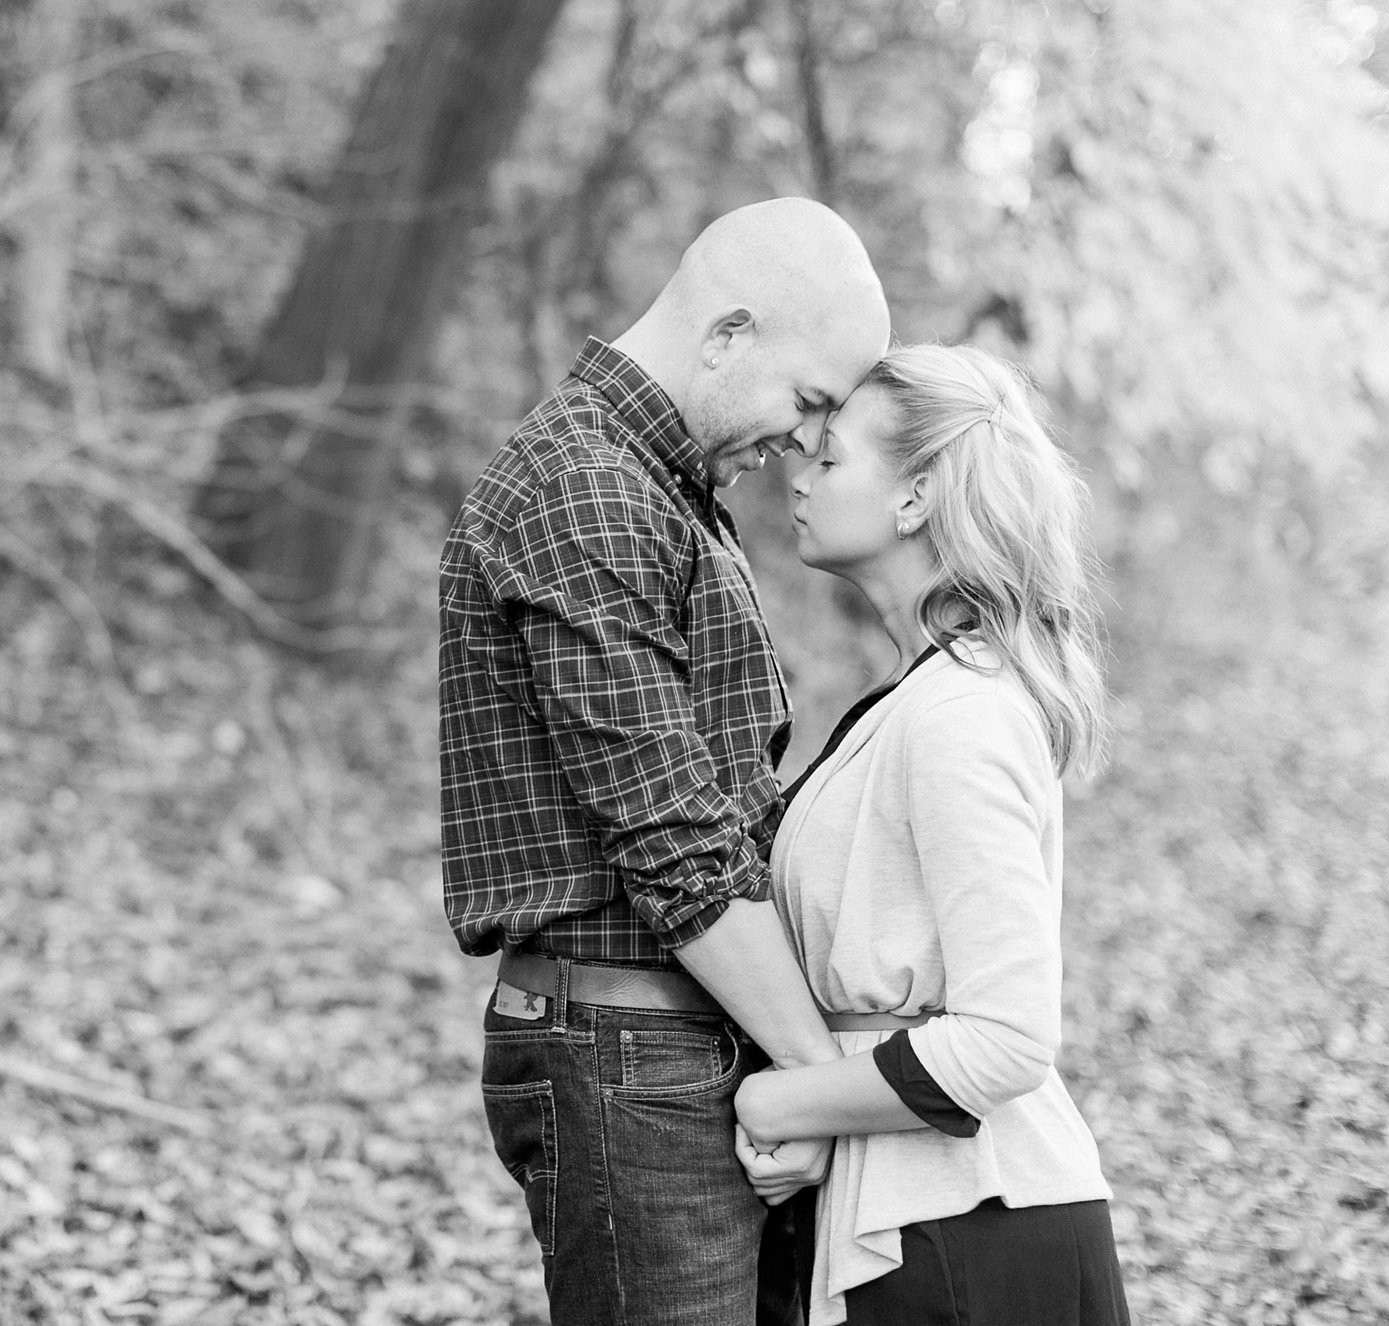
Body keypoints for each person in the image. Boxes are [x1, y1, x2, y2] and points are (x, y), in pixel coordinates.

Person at [438, 197, 891, 1325]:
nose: (802, 439)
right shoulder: (585, 491)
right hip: (627, 1056)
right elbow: (676, 846)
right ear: (728, 333)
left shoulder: (651, 487)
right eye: (807, 400)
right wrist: (816, 1082)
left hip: (674, 1047)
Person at [731, 344, 1132, 1326]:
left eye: (829, 460)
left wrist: (782, 1104)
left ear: (912, 499)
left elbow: (1005, 1037)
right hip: (929, 1218)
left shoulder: (960, 713)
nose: (797, 471)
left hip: (973, 1231)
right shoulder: (922, 696)